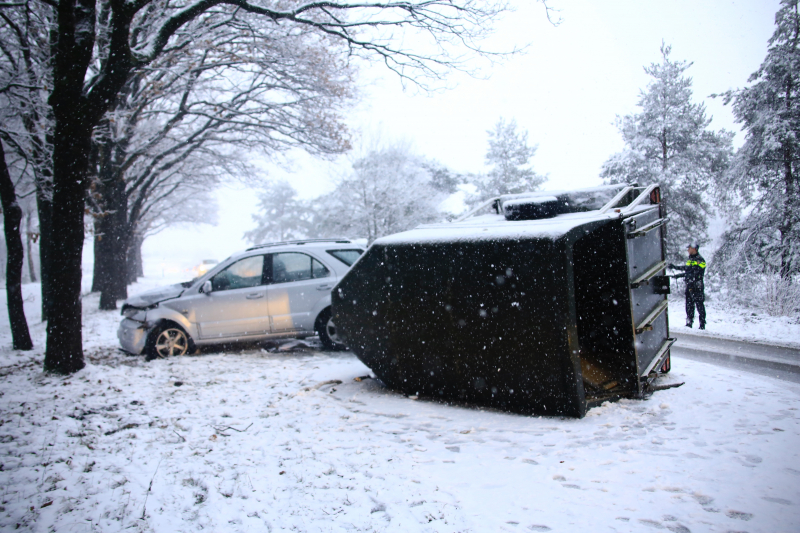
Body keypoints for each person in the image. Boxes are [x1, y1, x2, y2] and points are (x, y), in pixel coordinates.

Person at [669, 243, 706, 329]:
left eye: (689, 248)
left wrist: (679, 275)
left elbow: (693, 273)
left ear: (694, 249)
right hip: (689, 286)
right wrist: (675, 267)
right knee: (689, 305)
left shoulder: (700, 260)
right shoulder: (691, 259)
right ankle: (689, 323)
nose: (688, 250)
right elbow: (686, 268)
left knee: (699, 305)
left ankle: (702, 324)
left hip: (697, 286)